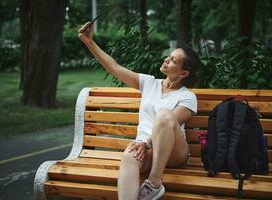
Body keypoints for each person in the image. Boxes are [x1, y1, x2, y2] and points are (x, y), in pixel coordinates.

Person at [78, 22, 199, 200]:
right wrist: (88, 41)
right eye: (169, 56)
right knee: (128, 156)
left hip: (174, 152)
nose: (166, 59)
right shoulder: (149, 82)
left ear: (183, 74)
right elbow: (115, 68)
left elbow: (170, 122)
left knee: (164, 115)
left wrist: (146, 142)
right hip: (146, 149)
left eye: (173, 60)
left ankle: (155, 182)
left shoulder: (187, 97)